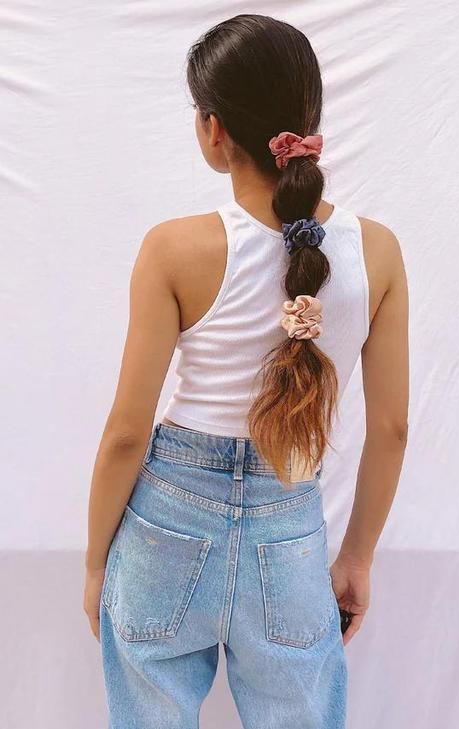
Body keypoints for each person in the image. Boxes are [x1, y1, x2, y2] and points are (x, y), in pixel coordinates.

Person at [83, 13, 409, 729]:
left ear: (213, 129)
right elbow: (391, 429)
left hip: (165, 524)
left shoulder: (173, 249)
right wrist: (356, 558)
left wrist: (95, 561)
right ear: (309, 117)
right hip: (290, 530)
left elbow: (126, 433)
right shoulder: (377, 251)